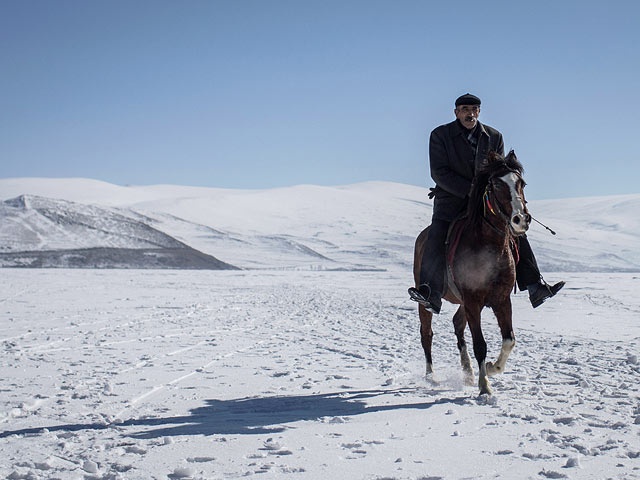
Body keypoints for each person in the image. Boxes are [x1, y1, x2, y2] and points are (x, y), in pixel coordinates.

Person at [408, 93, 564, 314]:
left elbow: (498, 170)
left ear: (479, 112)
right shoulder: (440, 135)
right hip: (451, 200)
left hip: (484, 202)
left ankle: (534, 286)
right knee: (437, 233)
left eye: (473, 109)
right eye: (464, 109)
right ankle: (430, 292)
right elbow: (439, 172)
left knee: (514, 230)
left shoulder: (494, 136)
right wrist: (471, 191)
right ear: (456, 112)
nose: (469, 113)